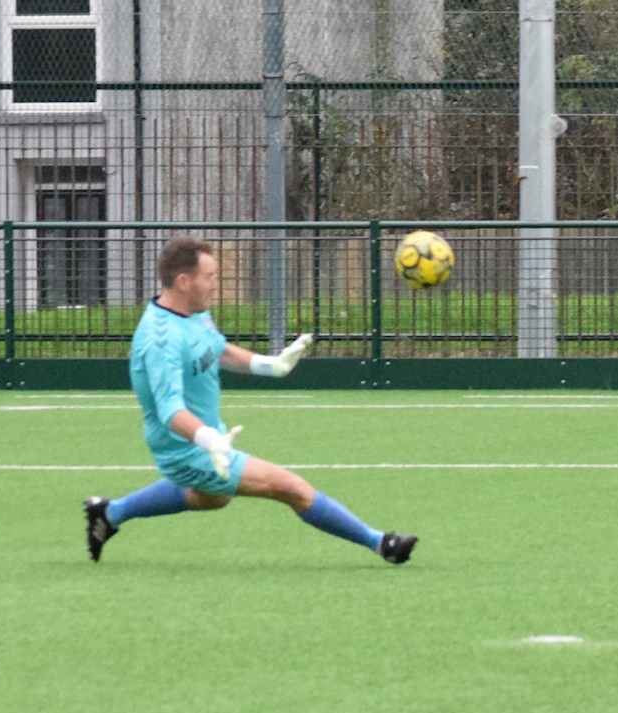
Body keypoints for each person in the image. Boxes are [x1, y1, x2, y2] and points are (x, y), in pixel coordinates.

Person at [84, 237, 416, 565]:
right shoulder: (161, 340)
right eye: (210, 277)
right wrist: (211, 441)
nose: (216, 284)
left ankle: (110, 513)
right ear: (183, 282)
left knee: (214, 499)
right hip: (186, 450)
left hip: (207, 441)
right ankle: (382, 544)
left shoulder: (194, 312)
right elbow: (170, 411)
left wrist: (271, 365)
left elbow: (217, 350)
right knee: (290, 487)